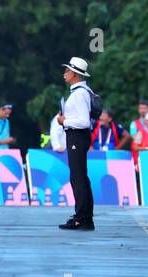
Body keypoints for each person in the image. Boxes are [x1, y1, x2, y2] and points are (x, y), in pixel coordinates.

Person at [57, 56, 96, 232]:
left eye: (67, 70)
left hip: (77, 136)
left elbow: (83, 121)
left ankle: (82, 218)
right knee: (80, 177)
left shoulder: (79, 94)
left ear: (75, 74)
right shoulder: (80, 91)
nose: (65, 73)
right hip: (77, 137)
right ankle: (84, 216)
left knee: (78, 178)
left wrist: (64, 121)